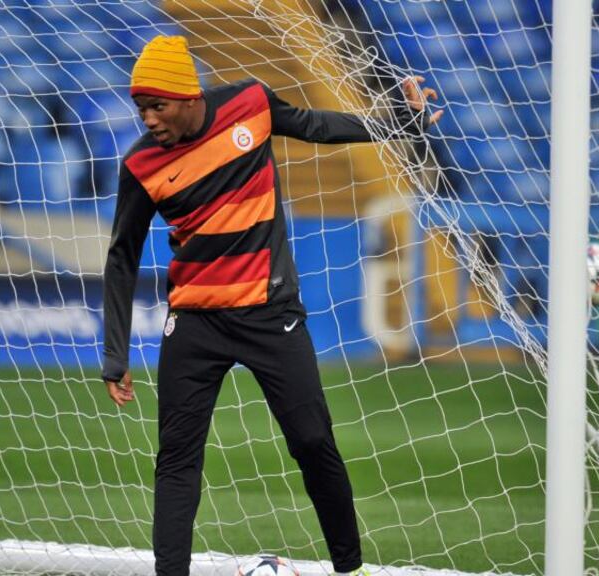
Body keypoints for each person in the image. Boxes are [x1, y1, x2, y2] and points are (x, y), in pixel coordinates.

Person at [101, 35, 442, 576]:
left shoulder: (250, 105)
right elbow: (122, 256)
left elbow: (316, 126)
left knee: (312, 440)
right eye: (140, 108)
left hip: (270, 314)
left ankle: (349, 567)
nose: (147, 119)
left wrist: (397, 119)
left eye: (156, 106)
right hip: (193, 321)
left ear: (189, 96)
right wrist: (114, 355)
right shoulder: (141, 165)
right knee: (177, 459)